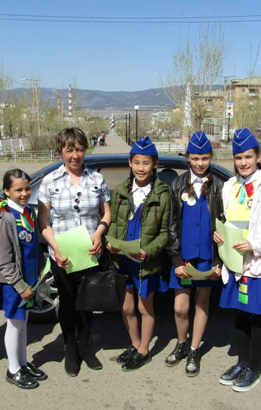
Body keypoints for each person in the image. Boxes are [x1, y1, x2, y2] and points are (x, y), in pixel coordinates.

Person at [215, 128, 261, 392]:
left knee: (257, 317)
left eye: (248, 156)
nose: (243, 162)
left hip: (258, 265)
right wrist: (220, 235)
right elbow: (229, 221)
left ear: (258, 156)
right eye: (238, 157)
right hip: (234, 263)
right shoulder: (229, 186)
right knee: (240, 316)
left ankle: (253, 369)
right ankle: (242, 362)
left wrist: (255, 245)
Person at [37, 128, 112, 377]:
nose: (75, 155)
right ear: (61, 151)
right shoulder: (50, 181)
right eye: (69, 149)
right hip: (64, 255)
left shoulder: (97, 180)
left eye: (79, 149)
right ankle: (70, 347)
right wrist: (56, 249)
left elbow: (106, 214)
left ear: (85, 150)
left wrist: (100, 233)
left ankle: (85, 346)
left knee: (88, 302)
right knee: (68, 303)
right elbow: (44, 223)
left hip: (90, 252)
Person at [106, 136, 170, 371]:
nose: (141, 168)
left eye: (146, 163)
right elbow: (114, 222)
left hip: (145, 262)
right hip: (123, 260)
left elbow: (164, 233)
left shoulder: (162, 194)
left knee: (145, 308)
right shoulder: (121, 190)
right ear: (130, 163)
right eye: (137, 162)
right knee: (127, 308)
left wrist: (148, 251)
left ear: (155, 164)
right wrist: (110, 242)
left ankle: (144, 350)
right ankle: (134, 344)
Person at [165, 131, 225, 377]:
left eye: (205, 158)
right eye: (195, 158)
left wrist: (220, 260)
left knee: (202, 303)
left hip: (207, 259)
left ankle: (193, 348)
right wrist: (177, 260)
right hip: (185, 259)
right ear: (187, 157)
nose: (200, 163)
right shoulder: (177, 185)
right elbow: (170, 225)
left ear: (210, 157)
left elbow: (224, 226)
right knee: (180, 307)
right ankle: (181, 342)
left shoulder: (219, 187)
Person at [0, 169, 48, 389]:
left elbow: (33, 246)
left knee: (23, 324)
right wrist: (20, 286)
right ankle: (13, 370)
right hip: (14, 284)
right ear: (6, 191)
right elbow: (3, 261)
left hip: (29, 281)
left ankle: (23, 362)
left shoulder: (27, 212)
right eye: (18, 190)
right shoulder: (6, 218)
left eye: (27, 188)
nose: (24, 193)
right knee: (14, 325)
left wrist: (40, 269)